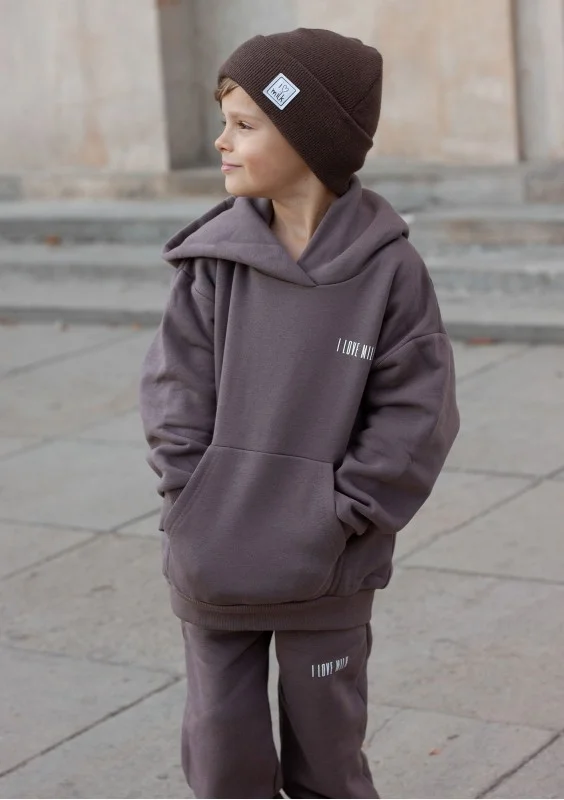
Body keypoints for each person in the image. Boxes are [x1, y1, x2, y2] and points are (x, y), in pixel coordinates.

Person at [139, 27, 460, 799]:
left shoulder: (390, 271)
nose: (221, 142)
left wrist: (346, 513)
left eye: (245, 124)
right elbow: (174, 394)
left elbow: (417, 411)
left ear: (310, 138)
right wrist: (191, 499)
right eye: (224, 120)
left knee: (329, 757)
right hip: (217, 555)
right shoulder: (210, 265)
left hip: (329, 564)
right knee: (224, 759)